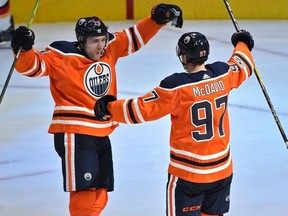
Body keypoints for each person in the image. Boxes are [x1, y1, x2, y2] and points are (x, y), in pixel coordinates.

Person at [10, 3, 183, 216]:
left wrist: (157, 19)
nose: (100, 46)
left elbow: (134, 37)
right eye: (94, 42)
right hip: (75, 132)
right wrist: (24, 49)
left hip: (101, 130)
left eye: (102, 40)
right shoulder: (61, 54)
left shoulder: (109, 48)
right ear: (81, 41)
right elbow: (32, 67)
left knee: (102, 189)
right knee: (83, 191)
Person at [94, 30, 255, 216]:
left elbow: (141, 110)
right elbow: (243, 65)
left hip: (188, 175)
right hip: (222, 172)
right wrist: (242, 43)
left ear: (184, 56)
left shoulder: (176, 87)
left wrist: (109, 108)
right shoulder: (223, 74)